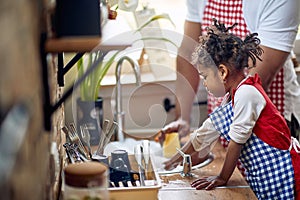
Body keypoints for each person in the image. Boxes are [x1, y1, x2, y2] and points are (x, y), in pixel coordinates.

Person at [165, 18, 300, 199]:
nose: (204, 84)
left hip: (289, 178)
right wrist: (174, 160)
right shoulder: (232, 97)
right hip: (270, 179)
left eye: (205, 76)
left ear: (222, 72)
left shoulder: (246, 94)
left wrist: (222, 178)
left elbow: (236, 142)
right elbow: (206, 132)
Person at [161, 0, 300, 143]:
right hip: (224, 116)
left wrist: (203, 138)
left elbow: (254, 84)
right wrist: (182, 118)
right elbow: (188, 54)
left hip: (272, 115)